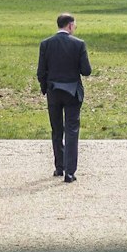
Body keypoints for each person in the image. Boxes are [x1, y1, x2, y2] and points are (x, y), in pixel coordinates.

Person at [36, 11, 93, 183]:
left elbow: (41, 72)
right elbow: (86, 71)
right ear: (69, 25)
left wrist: (45, 88)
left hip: (54, 90)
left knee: (56, 129)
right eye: (74, 25)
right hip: (72, 91)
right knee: (72, 130)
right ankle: (70, 172)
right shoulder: (79, 44)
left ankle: (59, 167)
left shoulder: (46, 44)